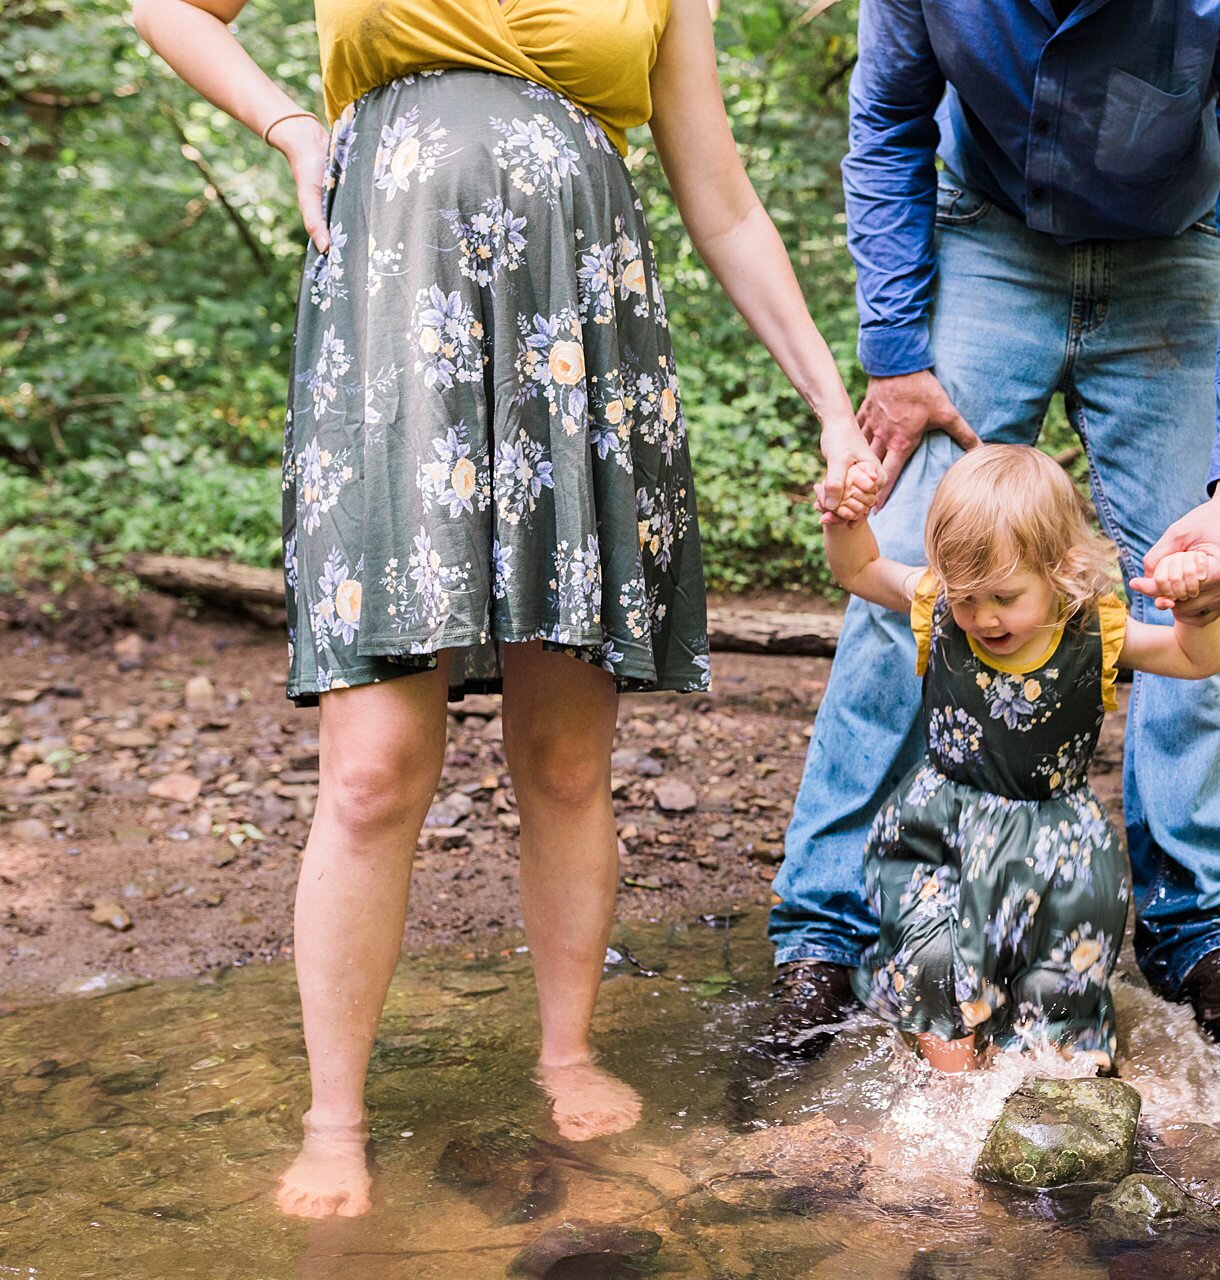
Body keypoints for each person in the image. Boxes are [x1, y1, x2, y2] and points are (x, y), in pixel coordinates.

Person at [133, 0, 878, 1219]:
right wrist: (283, 122)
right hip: (392, 335)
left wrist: (831, 403)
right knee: (373, 763)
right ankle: (335, 1117)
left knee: (566, 753)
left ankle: (567, 1050)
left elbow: (725, 200)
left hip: (581, 337)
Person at [765, 0, 1220, 1054]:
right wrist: (894, 349)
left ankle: (1200, 926)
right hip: (986, 234)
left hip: (1176, 248)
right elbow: (888, 120)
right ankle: (828, 929)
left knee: (1199, 570)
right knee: (913, 563)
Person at [822, 445, 1220, 1072]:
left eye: (1004, 597)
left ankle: (1047, 1082)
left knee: (1058, 990)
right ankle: (947, 1099)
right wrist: (846, 521)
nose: (981, 617)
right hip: (942, 828)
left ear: (1059, 569)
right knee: (933, 965)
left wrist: (1199, 608)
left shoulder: (1097, 632)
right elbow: (861, 570)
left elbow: (1196, 658)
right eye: (966, 598)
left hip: (1058, 846)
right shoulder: (936, 604)